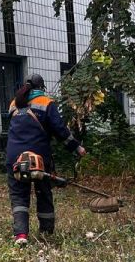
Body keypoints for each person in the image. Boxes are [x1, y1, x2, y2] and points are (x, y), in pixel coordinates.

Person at [6, 74, 85, 245]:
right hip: (39, 158)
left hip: (15, 158)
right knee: (43, 193)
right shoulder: (46, 102)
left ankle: (21, 235)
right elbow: (60, 130)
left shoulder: (14, 103)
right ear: (41, 87)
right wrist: (76, 147)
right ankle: (46, 232)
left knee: (19, 195)